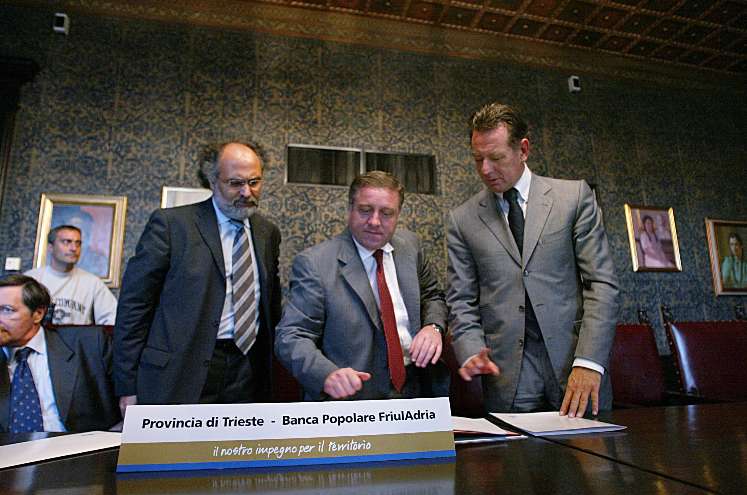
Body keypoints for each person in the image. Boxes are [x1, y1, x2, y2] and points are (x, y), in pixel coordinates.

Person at [447, 102, 619, 417]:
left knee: (591, 450)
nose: (485, 170)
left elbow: (602, 284)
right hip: (507, 376)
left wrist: (589, 361)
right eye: (478, 159)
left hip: (574, 364)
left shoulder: (573, 198)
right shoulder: (462, 220)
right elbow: (461, 299)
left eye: (496, 157)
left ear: (523, 150)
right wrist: (470, 347)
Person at [114, 141, 281, 415]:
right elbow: (134, 307)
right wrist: (127, 384)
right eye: (235, 183)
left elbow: (270, 305)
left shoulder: (267, 233)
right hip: (180, 371)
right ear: (213, 181)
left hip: (247, 370)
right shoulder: (172, 225)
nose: (246, 192)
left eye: (254, 182)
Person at [275, 171, 448, 401]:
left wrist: (433, 327)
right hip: (354, 398)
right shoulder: (315, 264)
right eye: (365, 210)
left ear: (398, 214)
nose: (375, 222)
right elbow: (292, 335)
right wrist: (326, 374)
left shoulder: (410, 247)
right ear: (350, 209)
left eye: (386, 213)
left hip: (418, 389)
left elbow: (433, 295)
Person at [0, 274, 119, 433]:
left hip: (77, 445)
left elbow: (132, 400)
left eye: (7, 310)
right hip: (9, 447)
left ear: (38, 314)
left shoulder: (89, 344)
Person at [25, 225, 117, 325]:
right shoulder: (32, 279)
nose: (74, 248)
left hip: (77, 335)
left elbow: (112, 318)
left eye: (78, 243)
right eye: (67, 242)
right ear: (50, 247)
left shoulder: (93, 283)